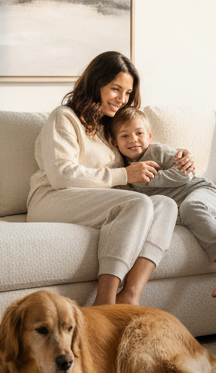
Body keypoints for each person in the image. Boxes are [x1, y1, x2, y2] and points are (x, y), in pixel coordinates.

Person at [27, 51, 194, 307]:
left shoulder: (110, 128)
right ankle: (105, 302)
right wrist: (124, 174)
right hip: (52, 198)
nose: (122, 99)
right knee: (137, 203)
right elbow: (62, 175)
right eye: (116, 89)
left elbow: (140, 147)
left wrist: (178, 157)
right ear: (96, 83)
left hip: (92, 200)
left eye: (127, 93)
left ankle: (130, 295)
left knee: (165, 204)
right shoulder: (64, 117)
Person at [111, 108, 216, 298]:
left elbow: (185, 174)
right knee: (169, 215)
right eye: (125, 136)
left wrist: (148, 179)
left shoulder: (157, 151)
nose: (133, 140)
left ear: (149, 136)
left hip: (203, 192)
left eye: (139, 133)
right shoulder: (124, 172)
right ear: (115, 142)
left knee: (191, 207)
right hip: (183, 207)